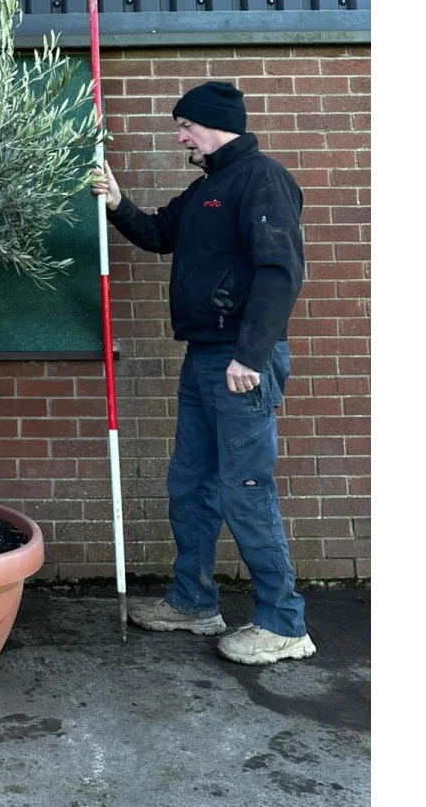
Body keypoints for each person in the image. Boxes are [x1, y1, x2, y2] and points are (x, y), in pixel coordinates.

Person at [91, 80, 315, 665]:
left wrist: (251, 355)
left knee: (244, 488)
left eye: (184, 126)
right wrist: (116, 201)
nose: (180, 136)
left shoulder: (261, 178)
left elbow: (279, 272)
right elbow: (159, 234)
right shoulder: (207, 189)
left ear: (214, 124)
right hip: (203, 358)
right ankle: (192, 601)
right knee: (190, 483)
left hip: (239, 362)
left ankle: (284, 623)